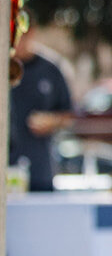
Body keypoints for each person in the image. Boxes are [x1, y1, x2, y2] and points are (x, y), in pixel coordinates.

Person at [9, 26, 74, 192]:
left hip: (39, 168)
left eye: (21, 35)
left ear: (31, 33)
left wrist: (51, 121)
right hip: (6, 167)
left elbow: (68, 113)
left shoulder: (50, 69)